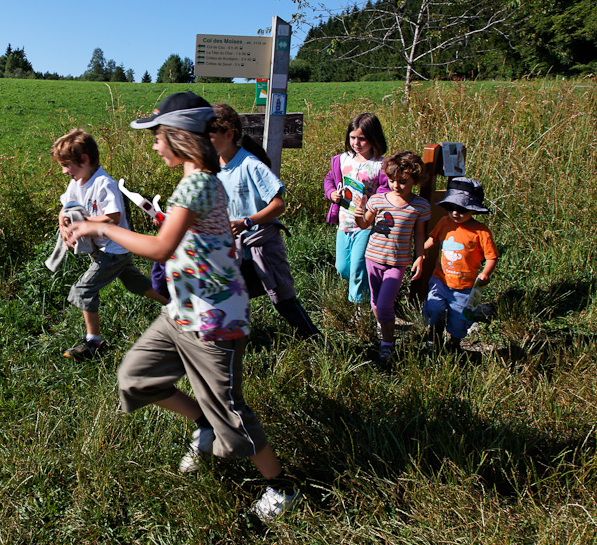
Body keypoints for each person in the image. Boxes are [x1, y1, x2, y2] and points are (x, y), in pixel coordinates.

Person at [63, 92, 301, 521]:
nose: (154, 146)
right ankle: (204, 424)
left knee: (230, 413)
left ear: (179, 136)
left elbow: (158, 249)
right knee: (135, 380)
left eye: (158, 137)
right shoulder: (196, 181)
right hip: (181, 312)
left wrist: (98, 226)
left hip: (214, 320)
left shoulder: (198, 183)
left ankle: (281, 488)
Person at [51, 128, 169, 361]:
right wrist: (63, 225)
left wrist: (82, 222)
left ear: (84, 160)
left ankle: (93, 342)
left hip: (113, 250)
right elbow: (65, 208)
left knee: (84, 289)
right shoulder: (77, 183)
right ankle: (176, 307)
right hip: (106, 250)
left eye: (67, 166)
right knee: (137, 284)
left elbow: (113, 217)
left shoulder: (104, 183)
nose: (64, 171)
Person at [208, 102, 320, 339]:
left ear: (229, 135)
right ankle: (231, 342)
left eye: (209, 134)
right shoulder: (213, 168)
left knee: (283, 299)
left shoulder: (250, 164)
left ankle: (316, 340)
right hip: (234, 251)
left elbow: (278, 205)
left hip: (261, 246)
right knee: (226, 297)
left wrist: (246, 222)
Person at [354, 151, 430, 365]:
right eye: (392, 180)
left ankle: (387, 343)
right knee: (376, 303)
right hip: (373, 258)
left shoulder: (420, 206)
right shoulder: (378, 200)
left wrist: (420, 257)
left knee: (386, 303)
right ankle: (383, 327)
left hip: (398, 262)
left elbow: (420, 234)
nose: (396, 186)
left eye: (403, 182)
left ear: (415, 180)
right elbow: (365, 225)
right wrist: (359, 216)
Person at [422, 177, 498, 350]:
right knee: (433, 307)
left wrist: (486, 273)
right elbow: (433, 239)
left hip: (466, 286)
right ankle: (435, 331)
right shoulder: (444, 223)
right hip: (440, 279)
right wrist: (421, 252)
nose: (455, 213)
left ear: (473, 210)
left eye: (461, 209)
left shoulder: (481, 231)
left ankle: (454, 342)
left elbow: (491, 256)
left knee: (461, 317)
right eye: (451, 208)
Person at [324, 113, 389, 306]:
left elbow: (386, 190)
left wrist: (372, 203)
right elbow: (330, 179)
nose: (357, 143)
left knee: (358, 267)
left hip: (367, 223)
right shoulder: (342, 160)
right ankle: (367, 291)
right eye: (353, 137)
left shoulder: (380, 165)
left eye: (362, 138)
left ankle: (358, 308)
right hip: (344, 220)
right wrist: (332, 194)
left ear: (374, 138)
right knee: (343, 267)